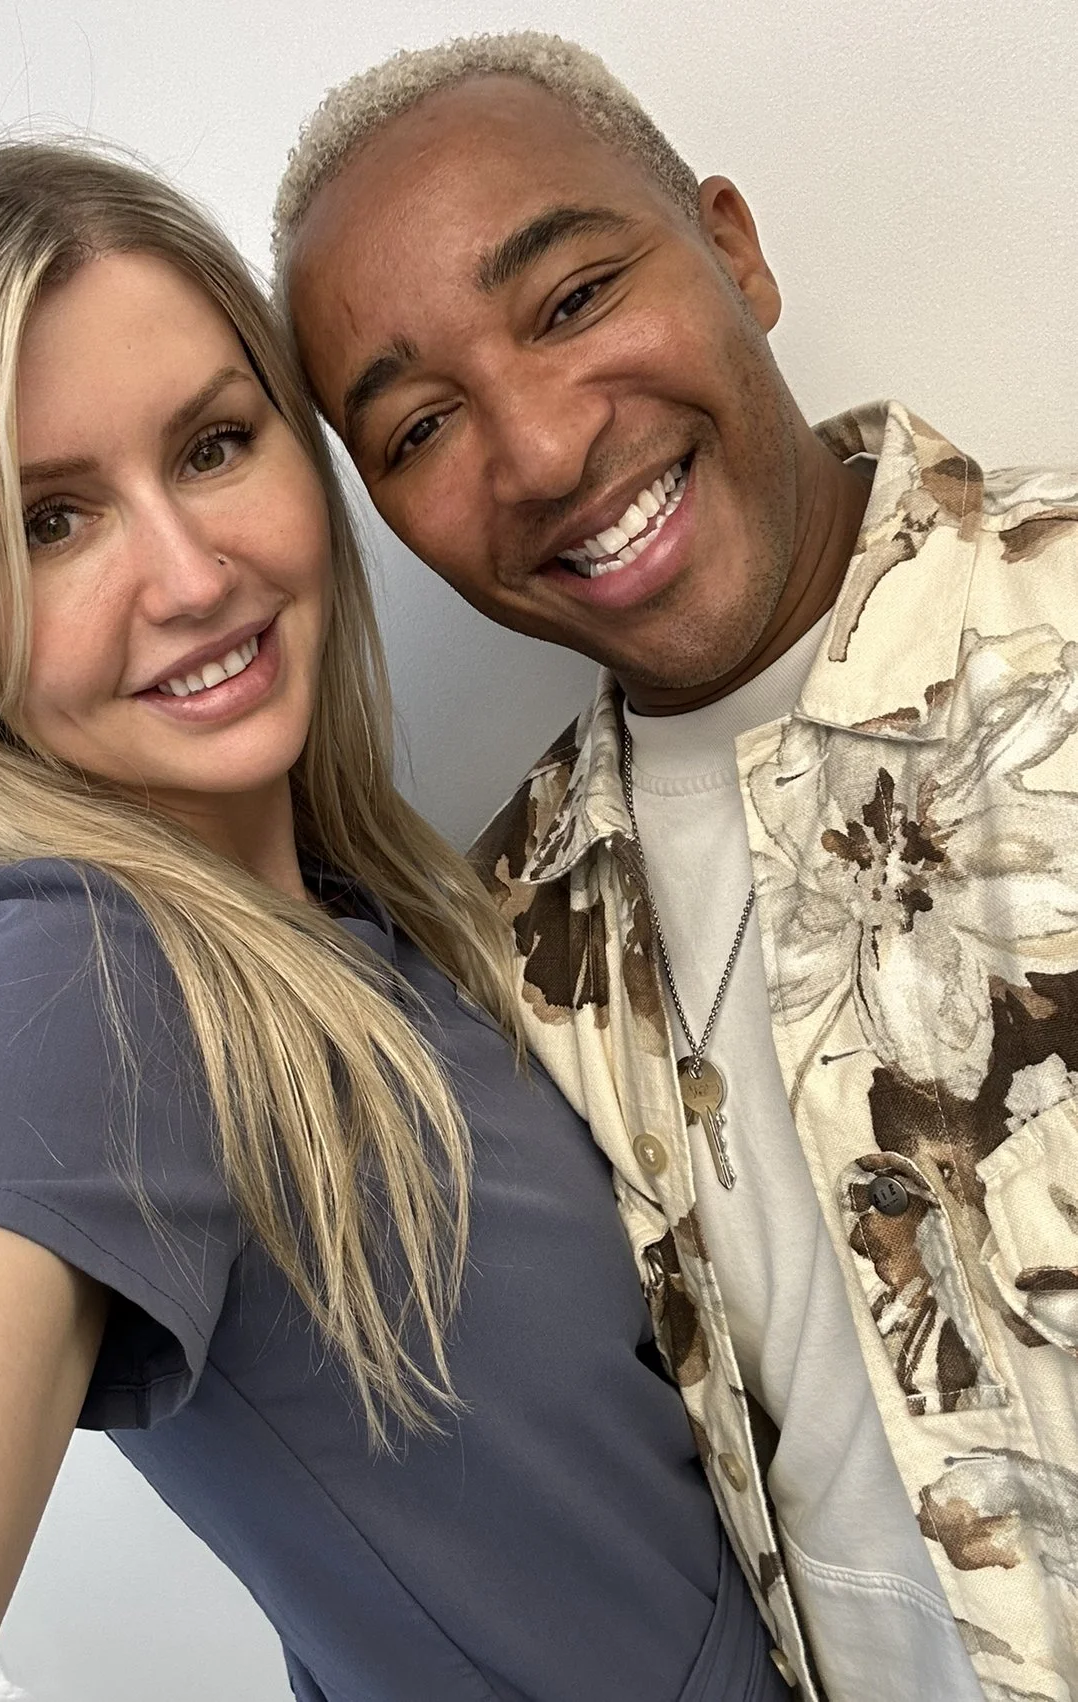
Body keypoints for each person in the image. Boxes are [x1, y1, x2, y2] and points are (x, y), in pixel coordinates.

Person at [0, 139, 790, 1702]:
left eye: (210, 446)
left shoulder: (368, 919)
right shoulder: (59, 977)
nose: (191, 574)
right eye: (47, 522)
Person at [273, 31, 1078, 1702]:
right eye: (421, 423)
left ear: (732, 246)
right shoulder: (496, 945)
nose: (546, 448)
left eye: (570, 300)